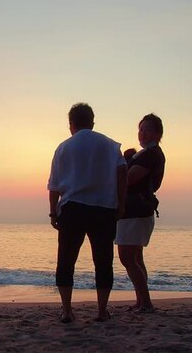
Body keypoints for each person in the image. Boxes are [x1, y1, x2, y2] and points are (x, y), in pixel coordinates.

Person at [47, 103, 128, 323]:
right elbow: (122, 175)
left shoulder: (63, 148)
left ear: (70, 124)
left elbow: (54, 186)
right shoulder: (111, 146)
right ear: (92, 122)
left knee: (66, 260)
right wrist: (121, 204)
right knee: (103, 261)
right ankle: (101, 311)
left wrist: (53, 213)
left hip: (72, 208)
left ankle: (66, 310)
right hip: (103, 208)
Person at [115, 113, 166, 313]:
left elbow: (129, 178)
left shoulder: (151, 154)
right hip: (137, 211)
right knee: (135, 258)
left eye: (147, 129)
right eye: (140, 129)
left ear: (158, 133)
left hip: (135, 211)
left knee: (127, 258)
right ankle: (141, 300)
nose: (142, 133)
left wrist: (121, 163)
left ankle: (145, 302)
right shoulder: (145, 153)